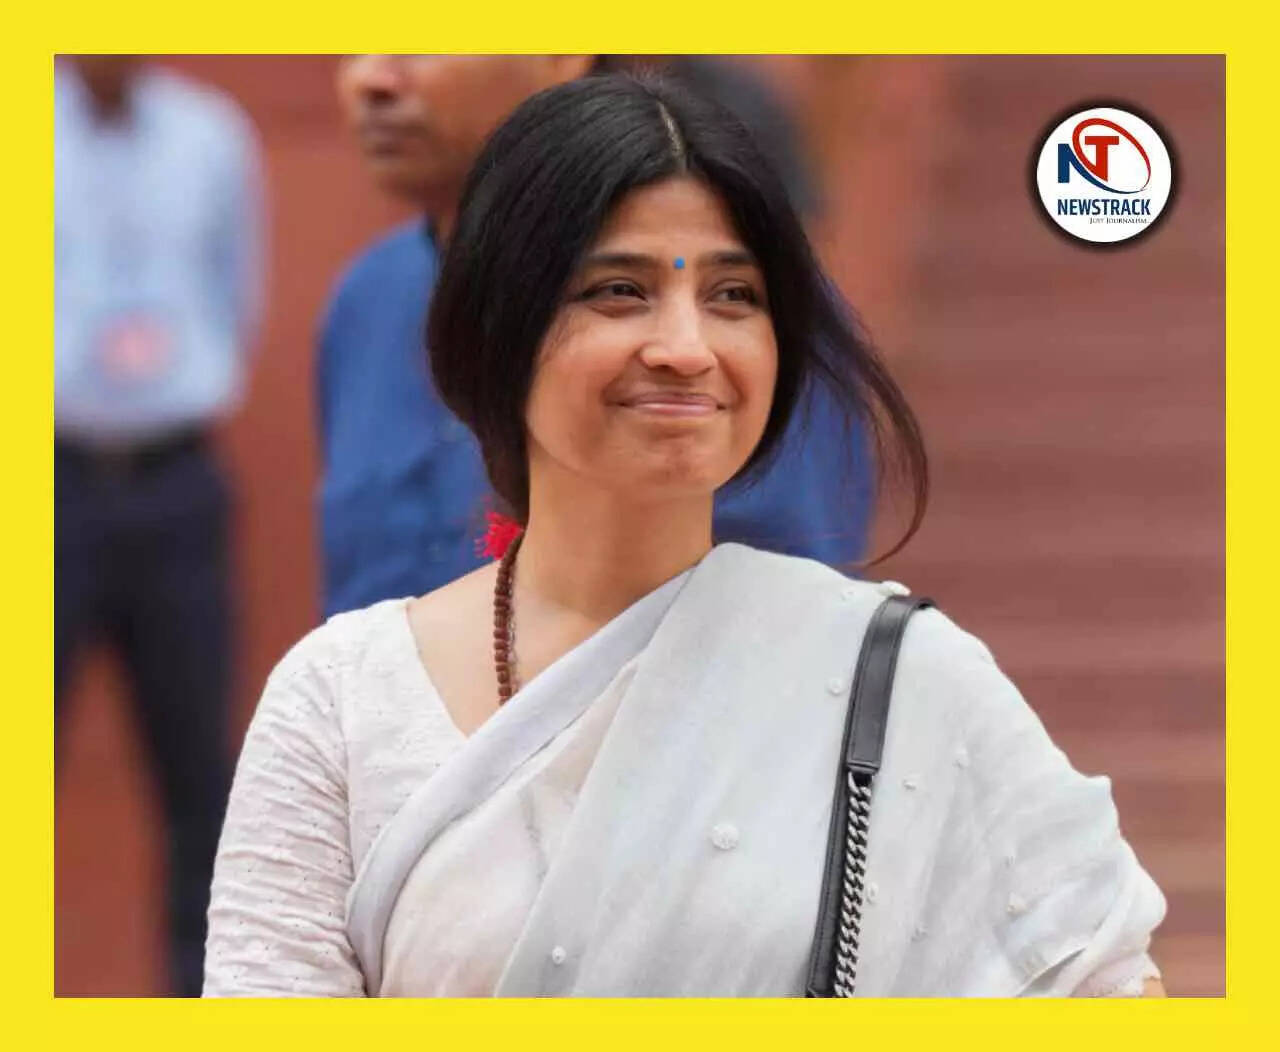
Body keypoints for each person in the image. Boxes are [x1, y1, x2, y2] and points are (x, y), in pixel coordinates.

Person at [205, 73, 1164, 997]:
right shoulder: (342, 702)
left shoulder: (899, 677)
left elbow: (1103, 986)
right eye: (618, 291)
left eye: (733, 295)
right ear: (498, 327)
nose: (685, 348)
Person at [318, 55, 870, 618]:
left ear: (563, 56)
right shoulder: (370, 298)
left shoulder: (736, 318)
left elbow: (787, 606)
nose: (371, 79)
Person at [55, 55, 264, 996]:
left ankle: (198, 1005)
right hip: (44, 480)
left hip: (177, 480)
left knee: (199, 774)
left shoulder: (210, 136)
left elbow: (236, 293)